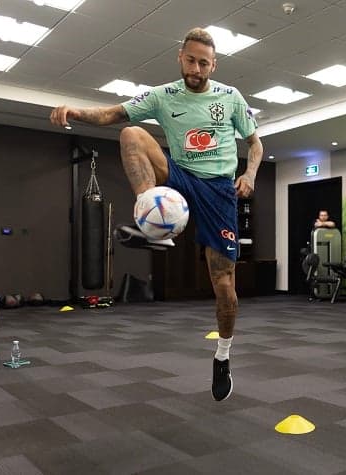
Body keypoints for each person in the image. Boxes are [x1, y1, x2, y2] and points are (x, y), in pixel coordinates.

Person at [49, 27, 263, 402]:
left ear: (214, 64)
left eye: (203, 62)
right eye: (190, 60)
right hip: (179, 176)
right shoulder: (164, 95)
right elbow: (113, 114)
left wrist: (249, 174)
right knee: (132, 133)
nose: (196, 68)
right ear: (180, 57)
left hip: (219, 190)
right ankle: (150, 217)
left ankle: (223, 356)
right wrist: (75, 111)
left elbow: (255, 143)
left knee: (225, 286)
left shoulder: (230, 97)